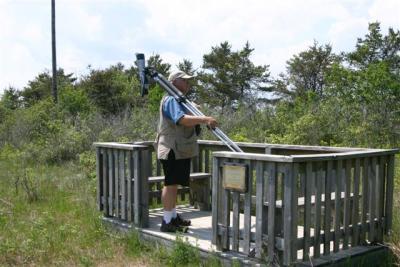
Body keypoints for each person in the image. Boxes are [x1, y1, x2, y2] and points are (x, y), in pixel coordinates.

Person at [156, 70, 217, 232]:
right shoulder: (170, 100)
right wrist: (205, 119)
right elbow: (181, 119)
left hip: (179, 148)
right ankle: (167, 221)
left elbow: (189, 115)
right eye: (185, 81)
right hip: (172, 149)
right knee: (170, 184)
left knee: (174, 184)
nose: (188, 84)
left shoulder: (180, 100)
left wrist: (200, 116)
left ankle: (173, 217)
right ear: (174, 82)